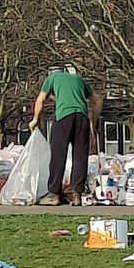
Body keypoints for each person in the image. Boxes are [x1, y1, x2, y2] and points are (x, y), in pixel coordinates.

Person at [29, 68, 101, 206]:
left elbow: (41, 99)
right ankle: (77, 194)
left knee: (58, 154)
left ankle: (53, 193)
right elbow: (97, 101)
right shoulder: (79, 80)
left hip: (64, 117)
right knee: (80, 155)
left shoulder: (51, 79)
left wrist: (35, 119)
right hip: (82, 117)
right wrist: (94, 122)